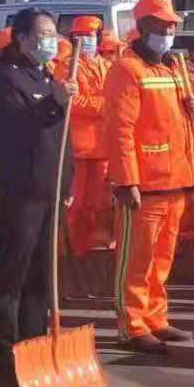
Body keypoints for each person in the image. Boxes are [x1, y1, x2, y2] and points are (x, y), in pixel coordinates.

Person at [0, 8, 72, 387]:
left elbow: (60, 140)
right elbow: (17, 137)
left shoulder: (47, 76)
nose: (49, 41)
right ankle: (3, 361)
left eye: (54, 34)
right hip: (21, 194)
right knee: (12, 277)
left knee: (39, 278)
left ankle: (32, 350)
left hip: (49, 192)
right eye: (42, 34)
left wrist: (66, 182)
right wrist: (53, 102)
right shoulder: (6, 83)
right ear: (21, 38)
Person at [104, 0, 194, 355]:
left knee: (162, 259)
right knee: (137, 260)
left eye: (172, 25)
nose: (168, 31)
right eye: (161, 26)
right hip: (144, 183)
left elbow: (178, 121)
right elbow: (119, 128)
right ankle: (132, 325)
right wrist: (126, 180)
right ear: (141, 28)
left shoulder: (173, 69)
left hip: (175, 180)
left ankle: (156, 317)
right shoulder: (126, 70)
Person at [57, 15, 114, 259]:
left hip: (103, 147)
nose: (87, 40)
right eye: (81, 36)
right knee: (75, 202)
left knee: (96, 202)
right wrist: (103, 105)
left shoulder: (108, 65)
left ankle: (86, 247)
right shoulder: (66, 65)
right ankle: (72, 248)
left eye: (91, 36)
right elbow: (71, 102)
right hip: (77, 147)